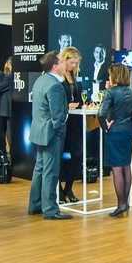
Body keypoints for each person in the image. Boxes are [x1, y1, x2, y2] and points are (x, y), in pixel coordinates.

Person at [26, 51, 71, 220]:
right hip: (51, 133)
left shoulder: (41, 80)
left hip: (39, 131)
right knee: (50, 172)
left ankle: (36, 205)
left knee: (40, 169)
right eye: (62, 61)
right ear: (55, 66)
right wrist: (60, 131)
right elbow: (57, 116)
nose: (65, 64)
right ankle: (50, 209)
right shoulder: (55, 86)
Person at [99, 62, 132, 218]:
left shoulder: (111, 92)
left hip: (115, 131)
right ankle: (125, 202)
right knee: (126, 166)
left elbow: (101, 113)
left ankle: (121, 204)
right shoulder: (131, 91)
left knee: (116, 168)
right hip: (128, 131)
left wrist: (105, 127)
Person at [58, 47, 85, 205]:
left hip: (75, 121)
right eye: (71, 62)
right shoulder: (57, 77)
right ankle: (58, 190)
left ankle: (68, 187)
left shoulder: (75, 76)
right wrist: (66, 106)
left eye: (76, 63)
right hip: (61, 121)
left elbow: (79, 97)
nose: (73, 65)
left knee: (77, 154)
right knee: (58, 156)